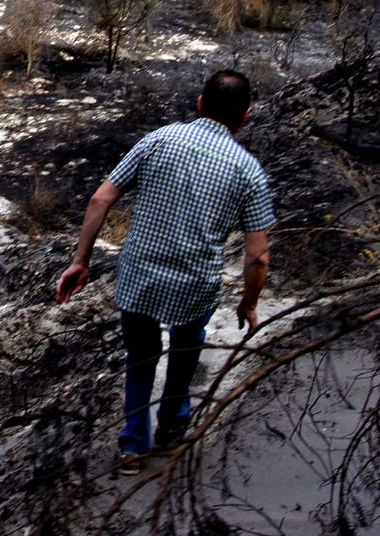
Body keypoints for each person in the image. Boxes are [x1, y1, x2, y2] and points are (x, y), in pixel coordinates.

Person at [55, 69, 275, 476]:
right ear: (244, 116)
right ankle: (173, 419)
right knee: (187, 344)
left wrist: (80, 261)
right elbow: (258, 256)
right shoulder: (249, 171)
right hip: (196, 281)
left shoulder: (160, 139)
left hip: (140, 273)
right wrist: (248, 304)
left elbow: (100, 198)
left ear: (199, 104)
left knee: (140, 358)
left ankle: (133, 447)